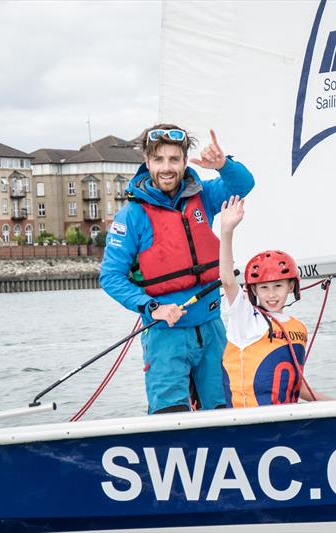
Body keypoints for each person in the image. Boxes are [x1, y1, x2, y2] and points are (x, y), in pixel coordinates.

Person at [100, 125, 254, 414]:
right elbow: (110, 276)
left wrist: (223, 165)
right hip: (165, 336)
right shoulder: (131, 216)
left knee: (225, 413)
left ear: (184, 162)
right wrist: (151, 306)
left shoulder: (204, 197)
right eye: (158, 160)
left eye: (174, 159)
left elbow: (243, 185)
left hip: (212, 330)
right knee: (170, 418)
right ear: (147, 163)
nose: (166, 168)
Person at [218, 196, 327, 408]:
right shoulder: (245, 318)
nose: (271, 294)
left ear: (291, 286)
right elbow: (227, 280)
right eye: (264, 288)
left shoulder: (299, 328)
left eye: (278, 286)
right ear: (254, 291)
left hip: (286, 423)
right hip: (248, 422)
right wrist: (226, 231)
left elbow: (300, 388)